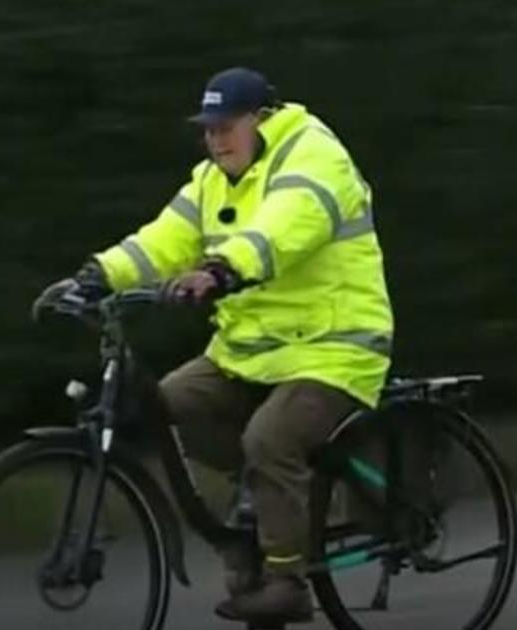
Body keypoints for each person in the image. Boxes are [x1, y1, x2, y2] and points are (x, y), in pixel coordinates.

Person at [36, 67, 394, 624]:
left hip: (335, 347)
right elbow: (162, 240)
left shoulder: (314, 155)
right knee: (168, 404)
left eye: (227, 126)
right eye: (208, 128)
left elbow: (284, 228)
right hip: (251, 352)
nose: (215, 138)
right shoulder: (211, 180)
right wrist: (95, 275)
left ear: (263, 119)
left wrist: (223, 269)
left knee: (270, 438)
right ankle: (264, 501)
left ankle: (286, 578)